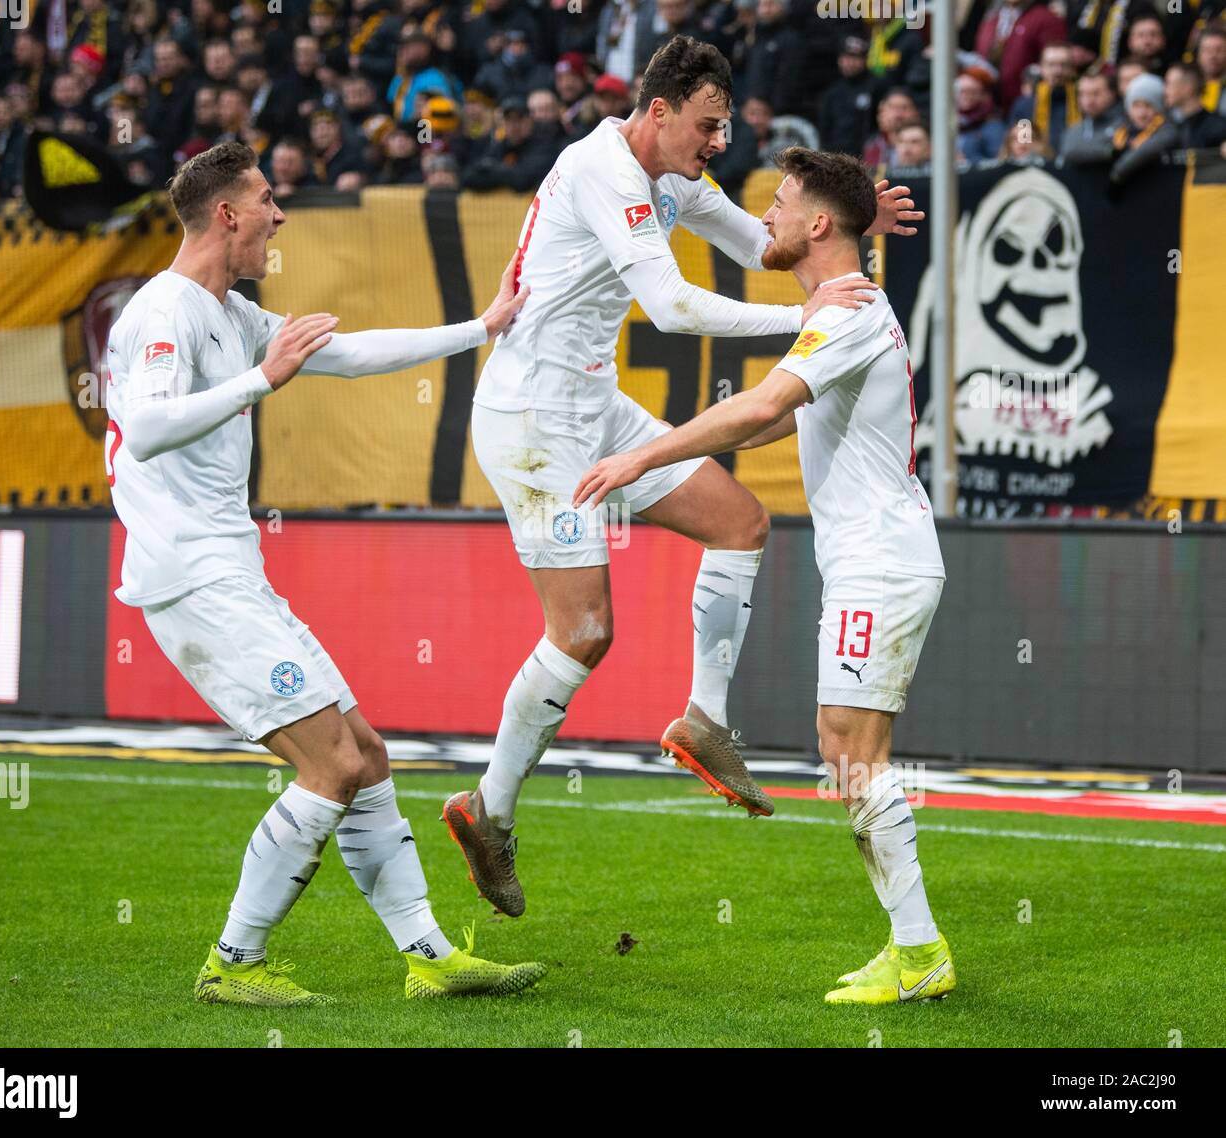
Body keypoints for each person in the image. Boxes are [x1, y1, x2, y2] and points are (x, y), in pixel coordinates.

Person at [442, 35, 921, 918]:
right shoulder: (604, 172)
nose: (716, 145)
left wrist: (849, 228)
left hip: (593, 402)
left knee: (739, 523)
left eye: (723, 128)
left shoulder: (666, 174)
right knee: (584, 633)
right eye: (705, 126)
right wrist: (799, 318)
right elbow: (671, 307)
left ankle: (703, 721)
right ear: (657, 111)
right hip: (535, 418)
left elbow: (762, 244)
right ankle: (489, 809)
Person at [104, 141, 542, 1006]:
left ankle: (429, 958)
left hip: (229, 571)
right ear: (225, 213)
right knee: (331, 767)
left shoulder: (229, 312)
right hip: (192, 579)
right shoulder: (166, 314)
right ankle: (233, 962)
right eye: (266, 200)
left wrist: (481, 330)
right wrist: (262, 382)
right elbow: (147, 429)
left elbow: (350, 352)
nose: (279, 215)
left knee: (366, 755)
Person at [571, 146, 953, 1006]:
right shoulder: (843, 307)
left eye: (780, 204)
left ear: (818, 224)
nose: (766, 219)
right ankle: (916, 946)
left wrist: (645, 455)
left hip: (881, 563)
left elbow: (761, 406)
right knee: (845, 749)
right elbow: (765, 428)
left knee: (853, 752)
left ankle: (921, 950)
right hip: (874, 560)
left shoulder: (845, 313)